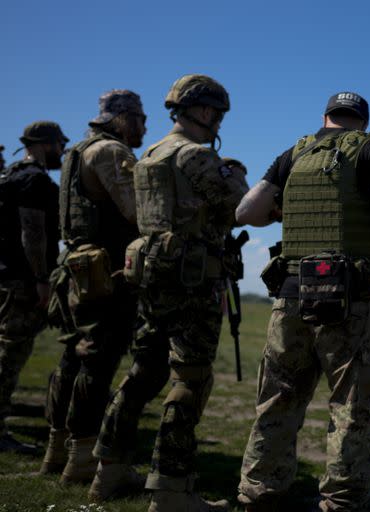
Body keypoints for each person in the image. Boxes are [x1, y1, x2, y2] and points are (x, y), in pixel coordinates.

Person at [236, 91, 370, 512]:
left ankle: (259, 495)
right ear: (362, 120)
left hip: (291, 296)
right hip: (351, 300)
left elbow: (245, 212)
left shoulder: (294, 154)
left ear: (325, 118)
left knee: (278, 400)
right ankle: (341, 502)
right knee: (354, 409)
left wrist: (286, 213)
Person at [88, 74, 248, 511]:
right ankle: (172, 490)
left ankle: (108, 469)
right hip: (193, 283)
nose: (217, 122)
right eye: (216, 113)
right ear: (202, 111)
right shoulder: (196, 157)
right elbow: (246, 207)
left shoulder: (152, 153)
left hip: (154, 279)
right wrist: (237, 174)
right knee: (190, 381)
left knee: (143, 373)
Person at [39, 90, 147, 488]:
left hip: (78, 269)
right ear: (121, 117)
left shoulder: (75, 152)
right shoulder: (109, 152)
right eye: (139, 117)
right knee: (97, 362)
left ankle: (58, 451)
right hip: (106, 272)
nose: (144, 126)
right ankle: (81, 458)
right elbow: (138, 210)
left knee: (73, 357)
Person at [0, 121, 67, 454]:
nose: (63, 149)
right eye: (60, 143)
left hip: (7, 276)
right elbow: (33, 233)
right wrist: (42, 278)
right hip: (22, 280)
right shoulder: (34, 180)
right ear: (45, 144)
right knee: (9, 356)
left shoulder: (11, 175)